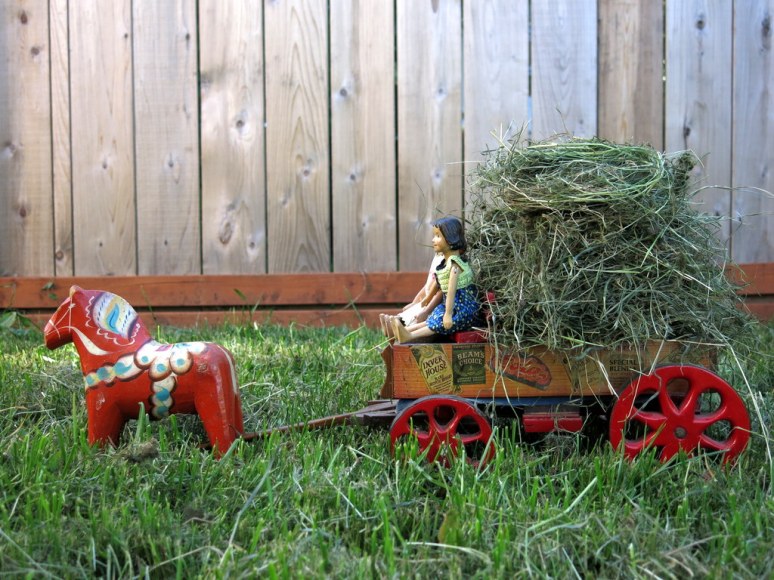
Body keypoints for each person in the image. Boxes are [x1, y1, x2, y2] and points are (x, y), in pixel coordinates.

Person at [392, 217, 482, 344]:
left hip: (464, 309)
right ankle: (406, 330)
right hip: (452, 305)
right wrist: (427, 299)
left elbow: (451, 292)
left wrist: (448, 314)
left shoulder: (455, 265)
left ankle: (409, 336)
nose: (433, 240)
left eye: (438, 236)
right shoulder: (445, 263)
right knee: (434, 317)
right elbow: (438, 282)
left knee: (438, 321)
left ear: (451, 239)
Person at [379, 253, 443, 338]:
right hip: (427, 301)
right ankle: (394, 324)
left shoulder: (447, 260)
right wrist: (415, 302)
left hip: (435, 304)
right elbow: (427, 285)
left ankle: (396, 330)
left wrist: (426, 310)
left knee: (415, 317)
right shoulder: (438, 256)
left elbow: (441, 290)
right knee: (408, 312)